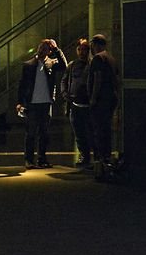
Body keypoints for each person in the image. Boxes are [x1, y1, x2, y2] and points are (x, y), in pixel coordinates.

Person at [16, 38, 67, 169]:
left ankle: (42, 159)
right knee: (31, 133)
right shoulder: (28, 65)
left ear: (49, 51)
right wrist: (20, 102)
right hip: (32, 103)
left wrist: (57, 49)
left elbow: (64, 66)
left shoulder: (51, 63)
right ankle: (29, 159)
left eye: (45, 48)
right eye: (41, 47)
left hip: (46, 103)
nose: (42, 49)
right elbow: (22, 85)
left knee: (44, 133)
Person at [87, 34, 119, 175]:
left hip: (100, 100)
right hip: (111, 98)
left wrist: (93, 98)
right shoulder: (111, 58)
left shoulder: (98, 58)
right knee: (106, 129)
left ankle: (100, 161)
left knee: (98, 130)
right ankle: (107, 158)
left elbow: (97, 79)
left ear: (95, 44)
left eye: (92, 45)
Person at [63, 38, 93, 167]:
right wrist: (65, 94)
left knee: (90, 132)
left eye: (84, 49)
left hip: (88, 105)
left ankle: (93, 156)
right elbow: (64, 80)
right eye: (80, 49)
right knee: (79, 133)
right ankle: (84, 156)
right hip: (75, 105)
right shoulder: (72, 65)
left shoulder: (92, 65)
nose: (81, 52)